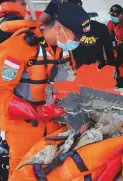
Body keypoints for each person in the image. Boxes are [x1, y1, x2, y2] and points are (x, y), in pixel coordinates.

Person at [0, 2, 94, 177]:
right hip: (25, 132)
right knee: (23, 174)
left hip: (55, 129)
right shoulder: (19, 46)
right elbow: (1, 93)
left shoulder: (63, 50)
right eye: (75, 38)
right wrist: (37, 112)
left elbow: (69, 83)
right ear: (59, 28)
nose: (76, 43)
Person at [40, 0, 115, 68]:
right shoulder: (64, 32)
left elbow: (109, 51)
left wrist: (112, 68)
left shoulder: (99, 28)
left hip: (96, 68)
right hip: (79, 70)